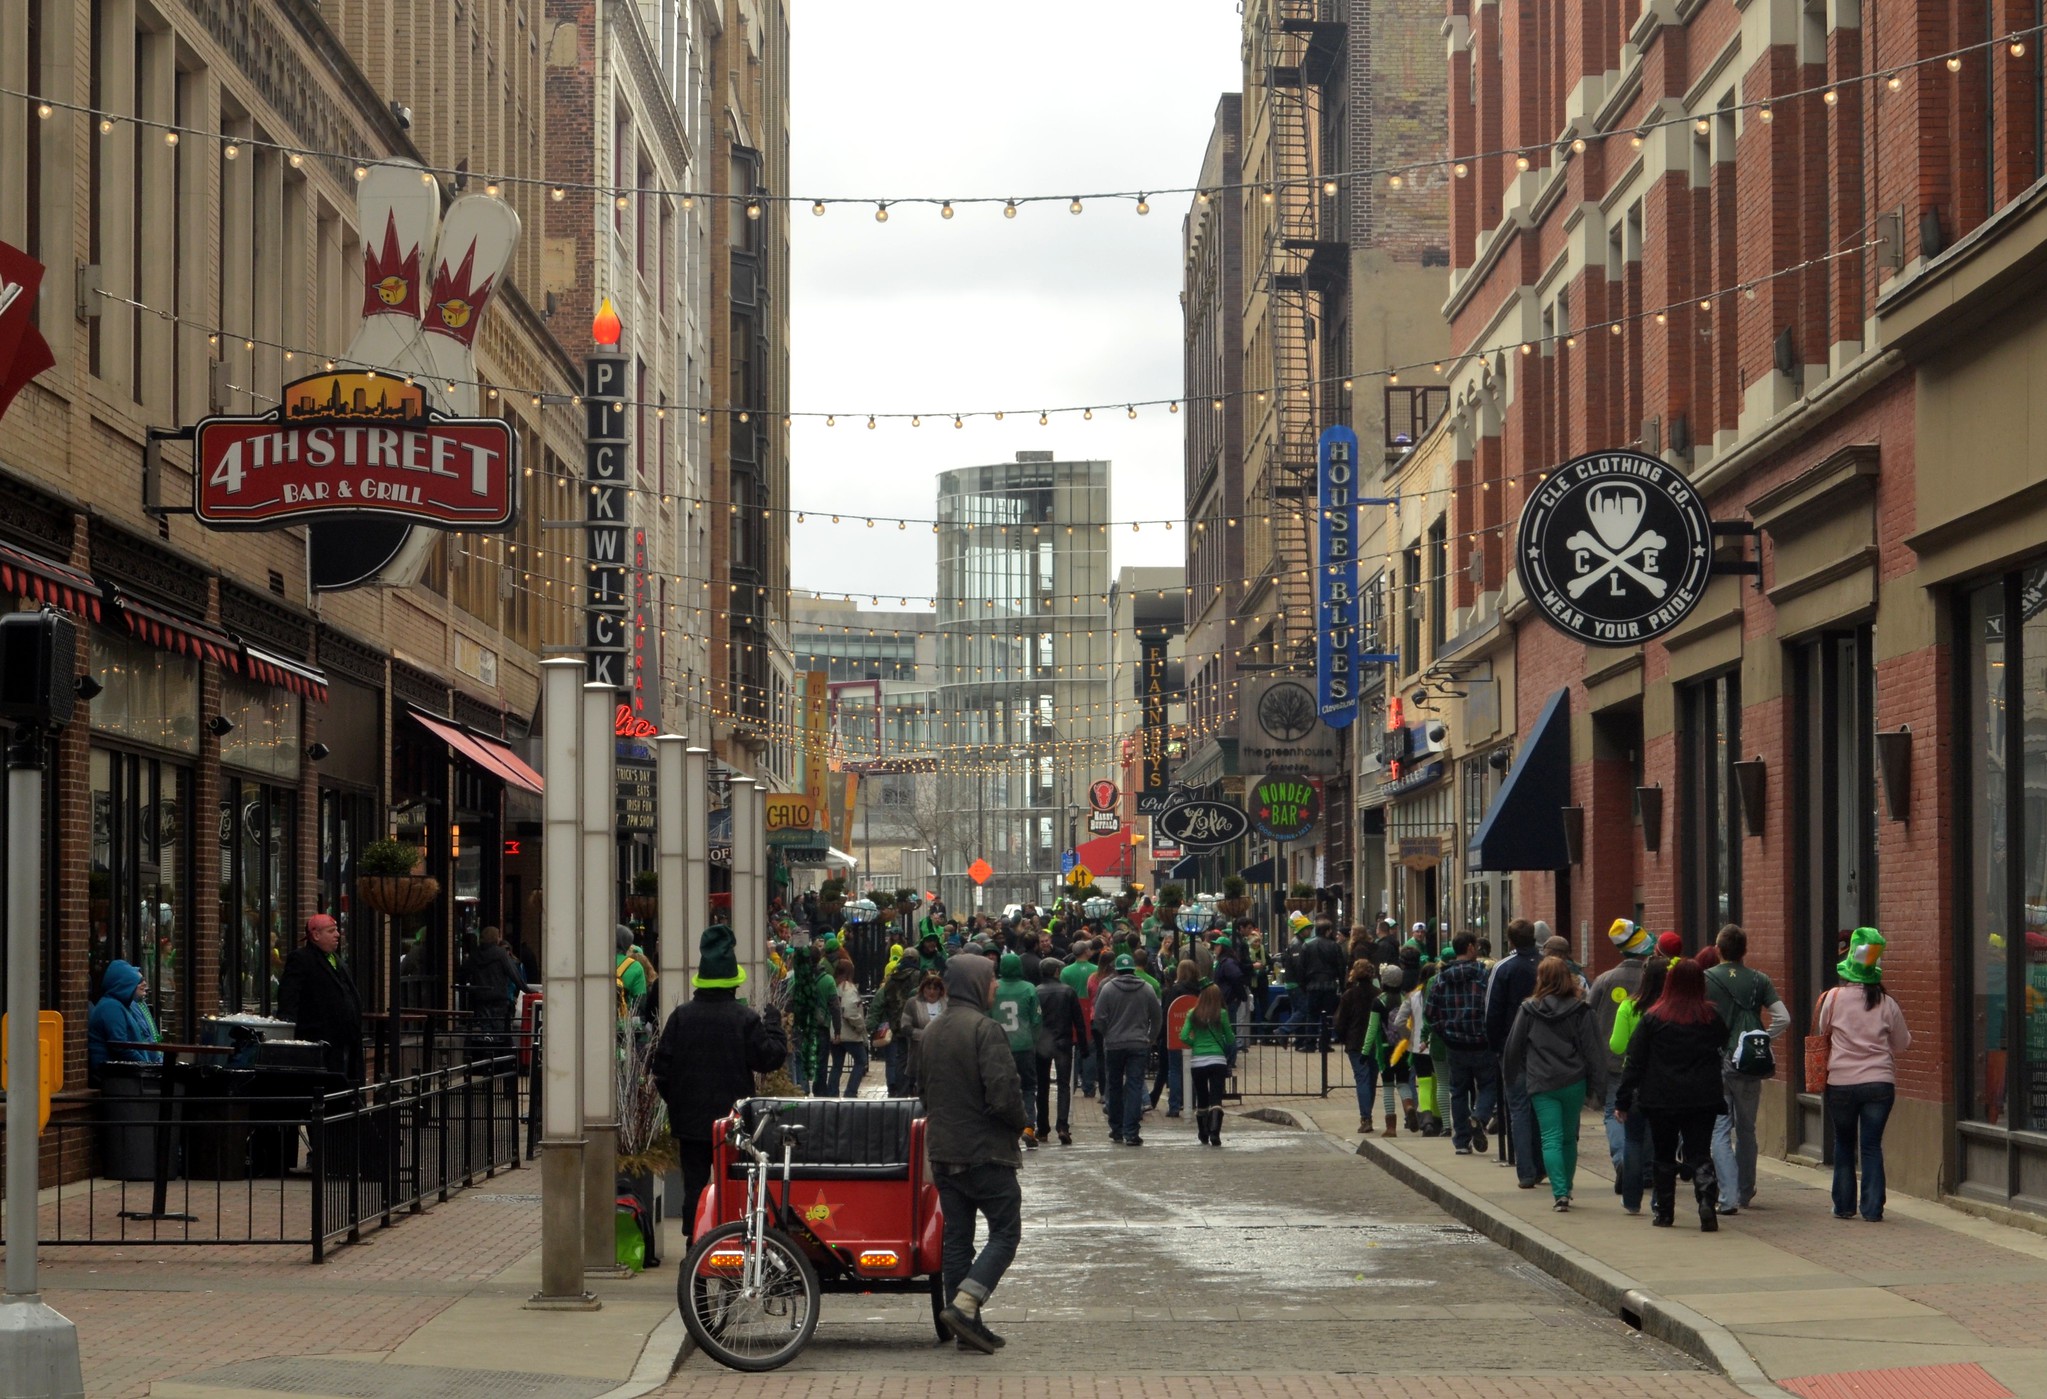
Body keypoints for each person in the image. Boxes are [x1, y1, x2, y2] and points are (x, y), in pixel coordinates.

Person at [650, 925, 786, 1241]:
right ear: (732, 982)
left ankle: (694, 1248)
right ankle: (733, 1244)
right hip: (733, 1122)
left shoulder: (681, 1017)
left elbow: (661, 1071)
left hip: (691, 1122)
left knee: (694, 1187)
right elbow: (769, 1059)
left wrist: (679, 1103)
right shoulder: (746, 1019)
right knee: (735, 1184)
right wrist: (774, 1027)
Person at [922, 954, 1028, 1354]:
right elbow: (1003, 1093)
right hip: (984, 1152)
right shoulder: (985, 1029)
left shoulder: (933, 1031)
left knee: (958, 1238)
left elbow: (922, 1090)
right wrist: (1021, 1123)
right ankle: (966, 1306)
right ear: (975, 983)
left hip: (944, 1151)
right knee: (1006, 1231)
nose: (996, 985)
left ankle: (966, 1325)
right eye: (991, 978)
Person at [1616, 958, 1728, 1231]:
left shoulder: (1654, 1018)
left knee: (1663, 1154)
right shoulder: (1711, 1018)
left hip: (1661, 1098)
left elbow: (1635, 1061)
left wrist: (1623, 1099)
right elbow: (1723, 1044)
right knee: (1700, 1151)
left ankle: (1665, 1212)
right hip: (1702, 1098)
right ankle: (1705, 1197)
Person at [1817, 929, 1910, 1222]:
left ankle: (1844, 1206)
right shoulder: (1888, 1003)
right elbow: (1902, 1044)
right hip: (1879, 1083)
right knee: (1871, 1145)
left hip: (1840, 1083)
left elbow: (1822, 1034)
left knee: (1844, 1143)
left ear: (1848, 967)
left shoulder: (1832, 999)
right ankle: (1872, 1209)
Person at [1504, 956, 1608, 1211]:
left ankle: (1559, 1192)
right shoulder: (1581, 1010)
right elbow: (1593, 1050)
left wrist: (1510, 1077)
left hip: (1541, 1083)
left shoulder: (1528, 1010)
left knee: (1550, 1136)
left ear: (1540, 979)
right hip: (1574, 1081)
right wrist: (1599, 1086)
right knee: (1569, 1138)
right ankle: (1567, 1186)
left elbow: (1513, 1047)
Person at [1704, 924, 1790, 1215]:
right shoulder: (1759, 980)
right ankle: (1745, 1190)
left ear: (1718, 950)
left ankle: (1725, 1193)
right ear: (1744, 951)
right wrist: (1764, 1039)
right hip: (1748, 1061)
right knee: (1747, 1129)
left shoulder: (1707, 979)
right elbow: (1783, 1017)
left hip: (1715, 1059)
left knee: (1719, 1129)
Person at [1588, 919, 1655, 1213]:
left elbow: (1587, 1017)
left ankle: (1622, 1161)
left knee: (1614, 1112)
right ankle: (1645, 1167)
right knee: (1651, 1114)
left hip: (1613, 1061)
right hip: (1651, 1062)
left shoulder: (1603, 980)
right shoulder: (1651, 979)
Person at [1485, 919, 1544, 1188]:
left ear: (1510, 941)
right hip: (1545, 1049)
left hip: (1512, 1047)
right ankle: (1543, 1165)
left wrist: (1496, 1045)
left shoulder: (1503, 969)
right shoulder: (1549, 966)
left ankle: (1526, 1171)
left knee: (1518, 1107)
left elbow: (1492, 1011)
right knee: (1541, 1108)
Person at [1425, 932, 1495, 1156]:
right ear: (1472, 948)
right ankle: (1480, 1117)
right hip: (1480, 1042)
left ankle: (1462, 1141)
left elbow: (1430, 1013)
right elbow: (1492, 1006)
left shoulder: (1441, 980)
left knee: (1458, 1091)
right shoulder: (1483, 977)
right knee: (1488, 1085)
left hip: (1454, 1043)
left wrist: (1443, 1032)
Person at [279, 913, 364, 1082]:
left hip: (346, 1040)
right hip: (321, 1042)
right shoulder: (301, 959)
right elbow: (289, 997)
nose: (337, 935)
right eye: (331, 931)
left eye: (337, 930)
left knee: (347, 1086)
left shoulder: (337, 960)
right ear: (316, 935)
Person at [1092, 953, 1163, 1146]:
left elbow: (1098, 1018)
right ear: (1133, 969)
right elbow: (1157, 1017)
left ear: (1116, 969)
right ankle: (1132, 1131)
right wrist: (1150, 1038)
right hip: (1138, 1043)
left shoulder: (1107, 989)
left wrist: (1108, 1034)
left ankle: (1117, 1129)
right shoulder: (1147, 989)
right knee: (1134, 1085)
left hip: (1114, 1044)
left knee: (1114, 1086)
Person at [993, 952, 1043, 1149]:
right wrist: (1034, 1040)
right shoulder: (1029, 988)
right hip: (1024, 1045)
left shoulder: (995, 987)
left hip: (999, 1046)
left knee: (1001, 1087)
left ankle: (1004, 1127)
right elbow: (1037, 1019)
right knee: (1029, 1087)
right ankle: (1029, 1126)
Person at [87, 959, 161, 1084]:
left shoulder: (121, 1006)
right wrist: (147, 1067)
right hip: (115, 1078)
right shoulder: (111, 1007)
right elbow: (120, 1046)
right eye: (137, 982)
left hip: (124, 1074)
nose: (144, 985)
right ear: (124, 984)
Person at [1179, 982, 1235, 1146]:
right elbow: (1230, 1038)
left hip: (1198, 1062)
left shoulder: (1193, 1013)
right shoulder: (1222, 1013)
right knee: (1216, 1097)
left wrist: (1194, 1043)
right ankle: (1215, 1133)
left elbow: (1183, 1036)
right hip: (1217, 1060)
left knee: (1202, 1096)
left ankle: (1203, 1132)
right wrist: (1223, 1040)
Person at [1035, 958, 1079, 1145]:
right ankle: (1062, 1126)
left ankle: (1043, 1128)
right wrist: (1083, 1045)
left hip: (1042, 1042)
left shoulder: (1036, 991)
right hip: (1063, 1041)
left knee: (1042, 1086)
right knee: (1063, 1085)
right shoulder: (1068, 991)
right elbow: (1078, 1020)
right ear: (1055, 972)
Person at [1332, 960, 1379, 1135]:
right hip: (1374, 1042)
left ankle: (1365, 1117)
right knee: (1372, 1079)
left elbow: (1340, 1022)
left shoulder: (1349, 995)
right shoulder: (1378, 994)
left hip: (1355, 1041)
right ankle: (1368, 1113)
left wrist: (1343, 1038)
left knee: (1362, 1078)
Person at [1152, 958, 1201, 1117]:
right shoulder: (1200, 990)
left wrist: (1160, 1035)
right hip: (1195, 1035)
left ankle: (1174, 1106)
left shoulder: (1175, 989)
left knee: (1174, 1070)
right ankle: (1191, 1103)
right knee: (1193, 1069)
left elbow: (1167, 1013)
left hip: (1175, 1034)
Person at [466, 925, 524, 1055]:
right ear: (495, 938)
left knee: (485, 1028)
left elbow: (464, 971)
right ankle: (498, 1060)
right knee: (499, 1029)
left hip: (481, 997)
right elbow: (513, 974)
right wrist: (525, 988)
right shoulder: (500, 954)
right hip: (498, 997)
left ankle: (487, 1056)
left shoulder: (475, 954)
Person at [875, 951, 923, 1097]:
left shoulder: (892, 979)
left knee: (900, 1059)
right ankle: (914, 1088)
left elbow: (885, 1000)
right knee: (916, 1057)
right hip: (916, 1024)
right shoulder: (919, 976)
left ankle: (900, 1090)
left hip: (897, 1024)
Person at [1060, 943, 1099, 1098]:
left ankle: (1072, 1083)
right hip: (1089, 1009)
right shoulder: (1095, 970)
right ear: (1085, 952)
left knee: (1073, 1047)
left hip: (1072, 1010)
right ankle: (1089, 1086)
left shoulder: (1066, 971)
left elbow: (1063, 993)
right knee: (1090, 1048)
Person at [827, 960, 870, 1098]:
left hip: (835, 1032)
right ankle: (850, 1092)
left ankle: (832, 1092)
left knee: (837, 1064)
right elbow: (850, 1011)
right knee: (861, 1060)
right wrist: (860, 1026)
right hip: (850, 1033)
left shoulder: (834, 986)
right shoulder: (849, 988)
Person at [901, 972, 946, 1096]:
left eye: (935, 988)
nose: (932, 992)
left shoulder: (946, 1004)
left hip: (942, 1055)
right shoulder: (912, 1003)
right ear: (923, 989)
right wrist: (925, 1035)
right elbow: (905, 1027)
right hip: (919, 1054)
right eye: (928, 988)